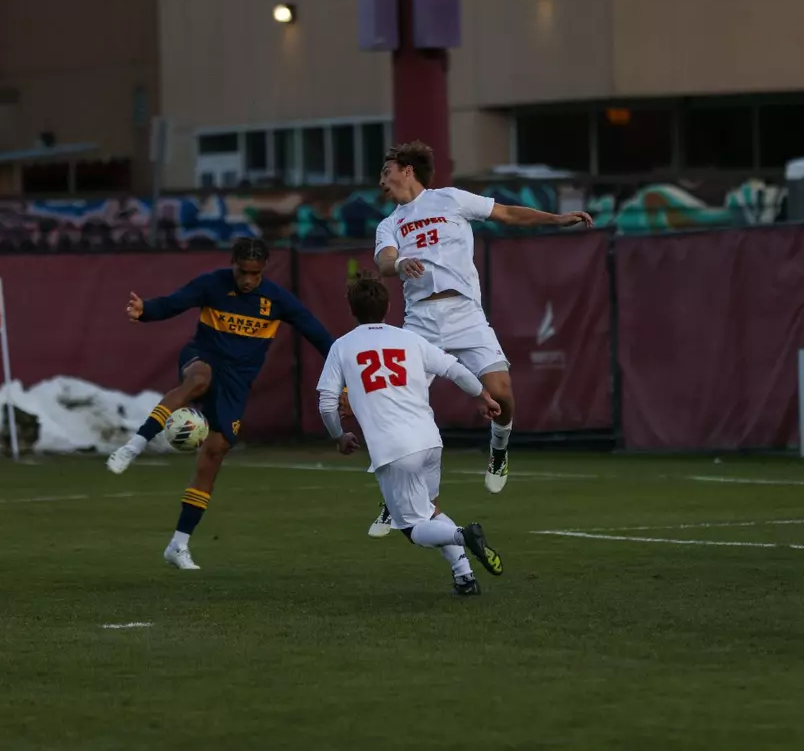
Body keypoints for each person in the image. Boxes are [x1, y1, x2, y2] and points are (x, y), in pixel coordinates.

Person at [365, 141, 593, 536]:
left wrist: (555, 219)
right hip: (420, 322)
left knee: (502, 392)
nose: (382, 180)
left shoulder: (450, 199)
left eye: (386, 171)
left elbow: (505, 212)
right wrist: (400, 261)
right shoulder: (390, 224)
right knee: (399, 412)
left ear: (406, 169)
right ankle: (394, 499)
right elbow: (383, 261)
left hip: (465, 314)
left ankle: (499, 449)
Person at [105, 237, 334, 570]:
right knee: (198, 379)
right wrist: (145, 311)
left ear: (264, 269)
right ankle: (135, 444)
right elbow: (173, 303)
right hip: (203, 357)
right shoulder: (212, 284)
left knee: (214, 453)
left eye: (255, 274)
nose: (247, 280)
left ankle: (178, 545)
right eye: (242, 272)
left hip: (236, 383)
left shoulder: (277, 300)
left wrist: (343, 366)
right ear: (233, 264)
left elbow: (318, 335)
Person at [319, 276, 505, 596]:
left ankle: (464, 536)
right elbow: (453, 368)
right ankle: (465, 577)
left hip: (394, 449)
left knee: (413, 528)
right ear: (389, 307)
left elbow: (326, 404)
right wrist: (482, 395)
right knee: (430, 509)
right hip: (430, 441)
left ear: (351, 311)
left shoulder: (342, 346)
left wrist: (338, 435)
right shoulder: (409, 339)